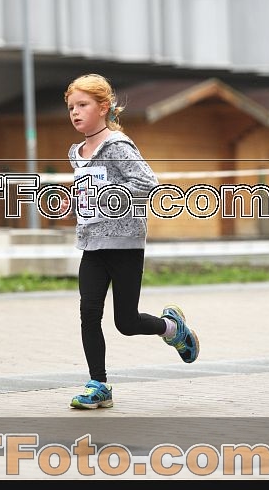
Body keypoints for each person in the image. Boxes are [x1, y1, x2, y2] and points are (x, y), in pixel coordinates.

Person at [63, 73, 199, 410]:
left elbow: (148, 183)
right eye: (71, 107)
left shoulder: (117, 146)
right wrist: (75, 199)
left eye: (83, 105)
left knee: (125, 322)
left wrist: (107, 194)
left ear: (103, 108)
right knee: (88, 313)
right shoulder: (77, 152)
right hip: (92, 245)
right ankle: (99, 385)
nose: (75, 112)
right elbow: (89, 190)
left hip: (125, 244)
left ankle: (172, 329)